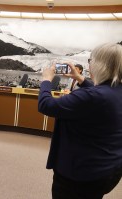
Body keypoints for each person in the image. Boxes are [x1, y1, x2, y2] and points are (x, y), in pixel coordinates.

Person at [38, 43, 122, 199]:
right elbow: (102, 93)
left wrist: (46, 80)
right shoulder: (113, 92)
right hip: (109, 169)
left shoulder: (90, 97)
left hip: (79, 174)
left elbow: (46, 105)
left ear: (99, 65)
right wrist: (80, 79)